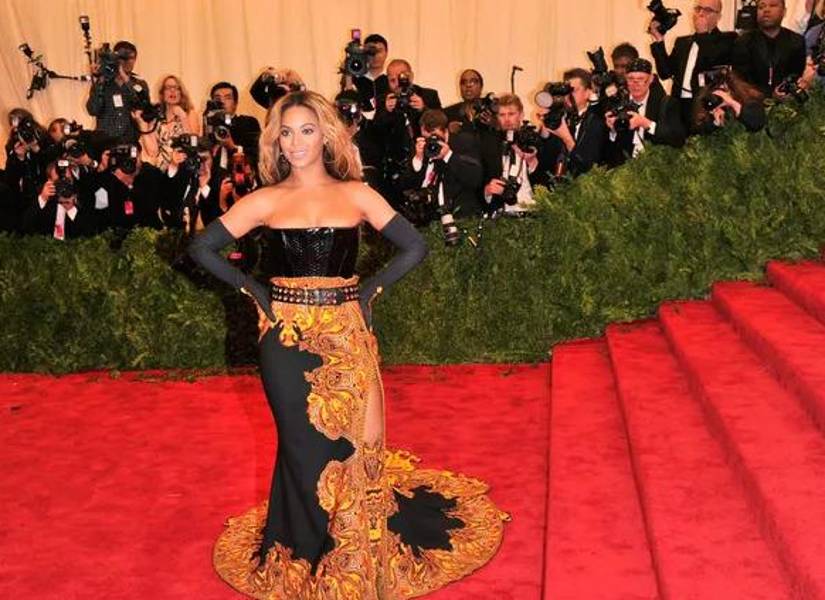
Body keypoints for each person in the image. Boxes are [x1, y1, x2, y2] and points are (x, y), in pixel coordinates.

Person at [188, 90, 507, 598]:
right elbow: (202, 247)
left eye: (306, 131)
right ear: (276, 140)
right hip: (287, 340)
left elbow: (414, 246)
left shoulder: (357, 193)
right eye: (286, 133)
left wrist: (370, 292)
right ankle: (305, 548)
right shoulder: (266, 200)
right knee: (300, 449)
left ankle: (357, 550)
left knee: (359, 445)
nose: (295, 142)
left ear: (327, 135)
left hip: (346, 333)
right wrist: (256, 293)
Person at [649, 0, 738, 126]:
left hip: (707, 106)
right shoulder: (682, 42)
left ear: (718, 16)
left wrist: (703, 34)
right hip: (679, 105)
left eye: (707, 10)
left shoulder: (727, 39)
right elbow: (665, 73)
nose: (701, 14)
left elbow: (711, 58)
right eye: (698, 9)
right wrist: (659, 40)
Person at [605, 58, 686, 167]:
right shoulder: (617, 104)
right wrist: (612, 131)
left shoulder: (666, 104)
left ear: (651, 79)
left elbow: (678, 139)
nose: (635, 84)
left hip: (656, 169)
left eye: (641, 79)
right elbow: (608, 151)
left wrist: (646, 124)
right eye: (631, 79)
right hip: (625, 171)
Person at [732, 0, 807, 97]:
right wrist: (769, 94)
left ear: (784, 11)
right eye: (761, 7)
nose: (766, 10)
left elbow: (797, 76)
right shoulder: (743, 42)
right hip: (752, 102)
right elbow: (739, 81)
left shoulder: (796, 42)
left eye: (773, 5)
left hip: (788, 103)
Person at [85, 40, 150, 144]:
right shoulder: (103, 83)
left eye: (131, 58)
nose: (126, 61)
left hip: (130, 142)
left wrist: (124, 76)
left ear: (135, 60)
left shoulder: (139, 84)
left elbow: (143, 105)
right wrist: (101, 78)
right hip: (104, 143)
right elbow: (93, 110)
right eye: (123, 58)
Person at [137, 75, 200, 171]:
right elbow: (152, 152)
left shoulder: (189, 114)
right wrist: (142, 123)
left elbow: (194, 143)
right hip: (162, 170)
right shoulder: (156, 118)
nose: (172, 91)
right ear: (162, 93)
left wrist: (182, 117)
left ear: (181, 93)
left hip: (184, 168)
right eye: (168, 88)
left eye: (176, 88)